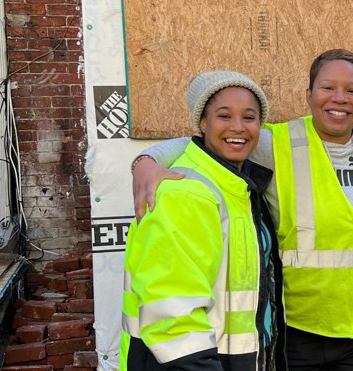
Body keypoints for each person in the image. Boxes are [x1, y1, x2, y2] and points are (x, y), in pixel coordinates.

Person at [131, 49, 353, 371]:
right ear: (309, 95)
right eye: (327, 87)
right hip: (298, 333)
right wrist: (146, 161)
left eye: (352, 90)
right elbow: (205, 142)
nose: (339, 98)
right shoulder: (276, 142)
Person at [120, 71, 282, 371]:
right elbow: (172, 316)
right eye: (224, 116)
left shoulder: (237, 189)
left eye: (249, 117)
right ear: (203, 123)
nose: (238, 127)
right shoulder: (186, 193)